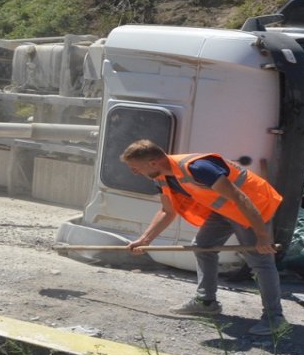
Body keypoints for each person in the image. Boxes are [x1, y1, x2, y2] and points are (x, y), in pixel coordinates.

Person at [120, 139, 288, 338]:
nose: (135, 173)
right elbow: (168, 211)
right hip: (225, 209)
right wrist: (144, 240)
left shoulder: (198, 167)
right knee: (202, 246)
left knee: (260, 259)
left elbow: (240, 198)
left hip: (252, 205)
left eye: (135, 168)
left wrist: (262, 236)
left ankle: (274, 318)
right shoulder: (162, 177)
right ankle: (206, 302)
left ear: (153, 163)